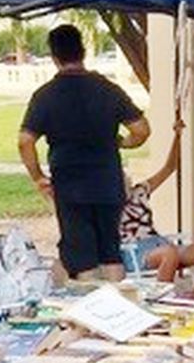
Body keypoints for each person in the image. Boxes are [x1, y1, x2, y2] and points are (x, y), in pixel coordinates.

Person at [19, 25, 151, 281]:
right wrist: (122, 143)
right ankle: (118, 313)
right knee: (110, 251)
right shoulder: (108, 89)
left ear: (54, 56)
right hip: (107, 183)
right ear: (84, 51)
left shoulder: (45, 96)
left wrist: (37, 177)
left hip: (70, 185)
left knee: (82, 257)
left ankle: (91, 313)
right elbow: (142, 129)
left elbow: (25, 141)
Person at [118, 119, 194, 298]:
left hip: (158, 243)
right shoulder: (106, 204)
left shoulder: (140, 191)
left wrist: (177, 136)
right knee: (169, 255)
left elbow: (169, 168)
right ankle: (161, 302)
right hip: (134, 251)